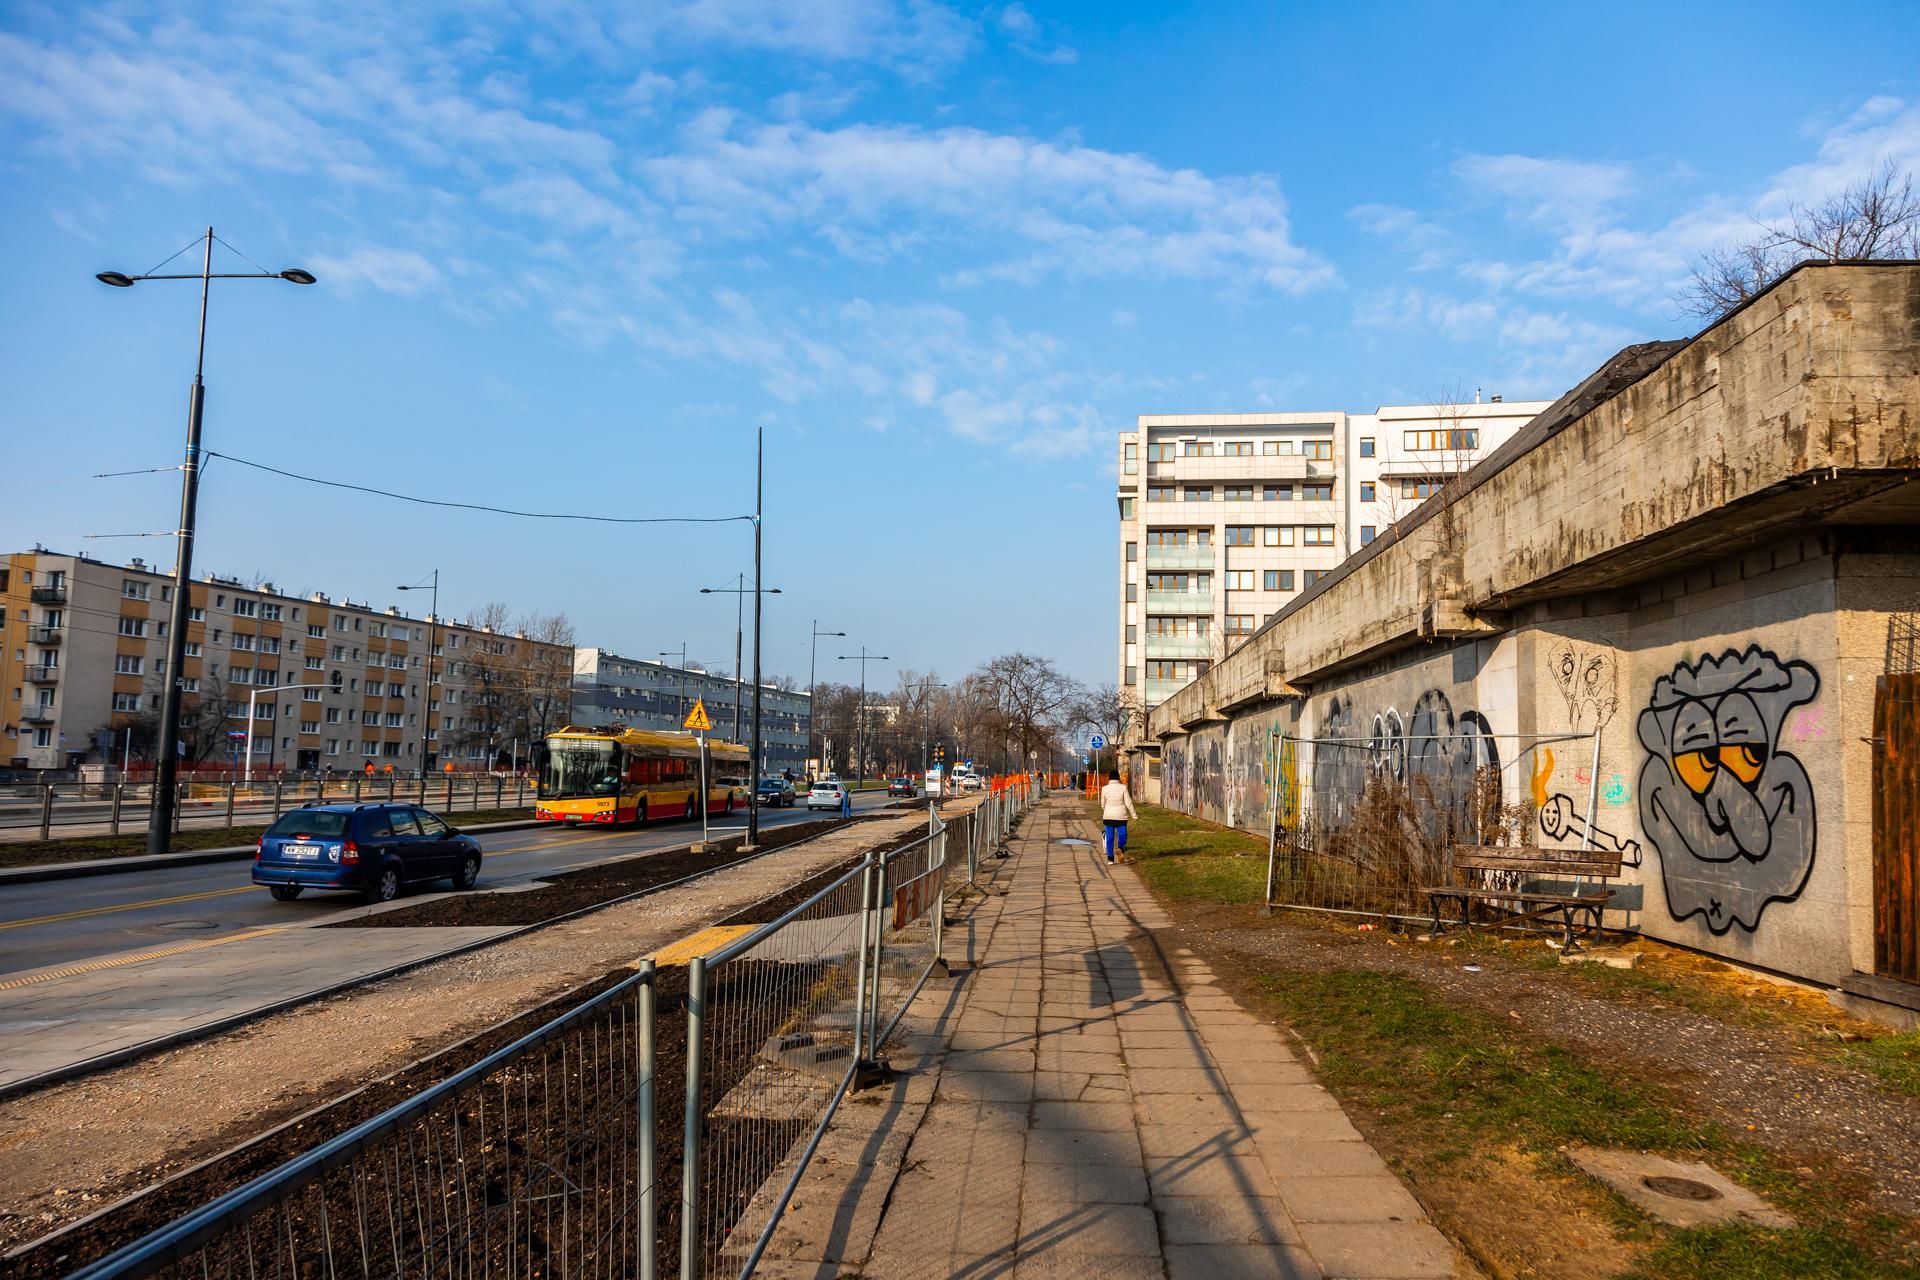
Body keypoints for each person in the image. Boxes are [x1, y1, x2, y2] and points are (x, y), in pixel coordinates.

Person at [1099, 769, 1136, 865]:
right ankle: (1120, 849)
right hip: (1121, 817)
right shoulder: (1123, 787)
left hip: (1108, 817)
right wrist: (1133, 814)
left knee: (1110, 838)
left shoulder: (1104, 788)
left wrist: (1105, 811)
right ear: (1118, 777)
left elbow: (1102, 804)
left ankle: (1110, 859)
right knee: (1123, 836)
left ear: (1109, 778)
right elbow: (1128, 802)